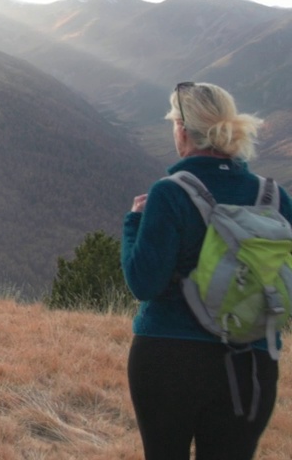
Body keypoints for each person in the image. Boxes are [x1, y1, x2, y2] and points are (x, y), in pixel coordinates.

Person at [122, 81, 292, 460]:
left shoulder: (170, 193)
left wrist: (133, 223)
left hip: (170, 356)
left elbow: (143, 282)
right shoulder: (276, 197)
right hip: (251, 363)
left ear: (182, 129)